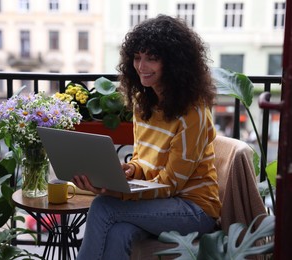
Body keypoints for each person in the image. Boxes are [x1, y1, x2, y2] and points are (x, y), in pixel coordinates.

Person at [72, 14, 221, 259]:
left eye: (152, 58)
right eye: (137, 57)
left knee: (103, 206)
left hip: (194, 210)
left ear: (174, 64)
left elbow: (171, 184)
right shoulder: (144, 103)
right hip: (161, 203)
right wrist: (128, 171)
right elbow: (144, 162)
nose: (141, 66)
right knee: (119, 231)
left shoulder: (192, 112)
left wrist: (119, 193)